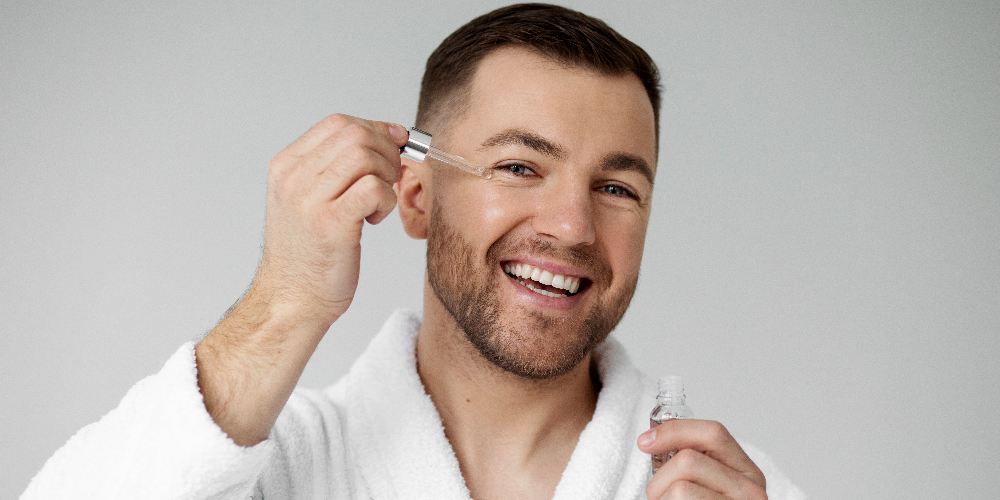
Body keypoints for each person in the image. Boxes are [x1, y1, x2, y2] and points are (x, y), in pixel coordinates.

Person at [23, 4, 804, 499]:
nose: (571, 227)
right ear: (417, 198)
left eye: (618, 189)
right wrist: (285, 303)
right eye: (519, 167)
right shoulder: (283, 472)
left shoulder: (726, 491)